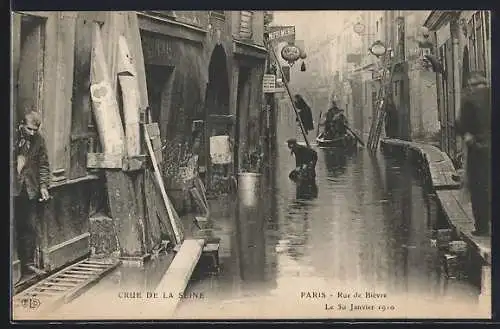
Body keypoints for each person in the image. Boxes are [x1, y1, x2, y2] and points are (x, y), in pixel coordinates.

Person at [14, 110, 51, 276]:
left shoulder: (39, 139)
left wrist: (43, 186)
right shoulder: (14, 138)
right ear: (22, 125)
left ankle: (27, 264)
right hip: (13, 188)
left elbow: (43, 164)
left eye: (35, 130)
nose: (32, 133)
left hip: (29, 189)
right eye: (29, 129)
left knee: (29, 226)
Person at [456, 71, 491, 236]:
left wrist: (468, 136)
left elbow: (461, 125)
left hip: (478, 150)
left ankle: (482, 227)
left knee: (479, 188)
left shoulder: (468, 99)